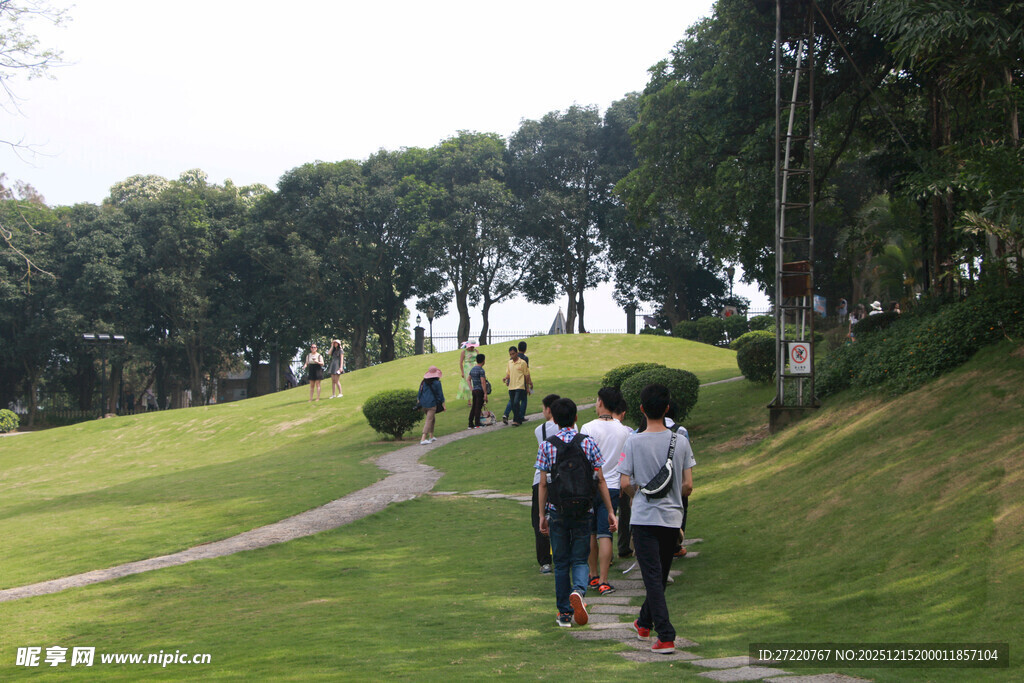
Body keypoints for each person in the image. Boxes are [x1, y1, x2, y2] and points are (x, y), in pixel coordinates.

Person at [619, 383, 696, 654]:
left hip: (643, 517)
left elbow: (625, 481)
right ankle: (643, 622)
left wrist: (636, 494)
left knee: (654, 576)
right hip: (672, 518)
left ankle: (666, 635)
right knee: (659, 575)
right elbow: (688, 486)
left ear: (641, 409)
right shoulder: (681, 441)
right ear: (667, 408)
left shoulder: (633, 441)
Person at [537, 397, 617, 628]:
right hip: (585, 509)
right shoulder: (588, 443)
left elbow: (543, 484)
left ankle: (563, 614)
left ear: (553, 418)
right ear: (575, 418)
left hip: (557, 510)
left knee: (561, 563)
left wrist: (542, 515)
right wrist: (610, 511)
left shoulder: (547, 445)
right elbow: (600, 479)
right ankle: (579, 591)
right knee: (580, 559)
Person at [581, 387, 634, 596]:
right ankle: (604, 580)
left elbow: (584, 459)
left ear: (601, 402)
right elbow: (624, 461)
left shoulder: (587, 428)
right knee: (606, 534)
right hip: (612, 487)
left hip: (591, 486)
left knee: (591, 533)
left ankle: (592, 575)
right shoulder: (623, 430)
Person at [531, 394, 561, 574]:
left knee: (540, 519)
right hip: (562, 479)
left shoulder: (539, 430)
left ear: (548, 409)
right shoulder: (572, 428)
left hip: (541, 478)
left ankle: (545, 561)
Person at [502, 346, 532, 426]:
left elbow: (526, 375)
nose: (512, 356)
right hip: (511, 386)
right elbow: (509, 373)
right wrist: (506, 378)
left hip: (520, 386)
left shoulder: (522, 363)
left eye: (513, 354)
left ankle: (516, 420)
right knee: (513, 404)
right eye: (510, 354)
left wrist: (527, 386)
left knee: (516, 402)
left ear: (517, 353)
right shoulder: (509, 363)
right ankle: (518, 419)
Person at [417, 366, 445, 445]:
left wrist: (418, 404)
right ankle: (423, 438)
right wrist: (444, 405)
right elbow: (441, 395)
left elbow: (419, 393)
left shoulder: (423, 382)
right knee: (429, 420)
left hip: (423, 404)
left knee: (432, 419)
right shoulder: (437, 383)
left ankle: (431, 436)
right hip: (432, 404)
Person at [467, 353, 488, 430]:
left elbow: (468, 379)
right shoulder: (481, 370)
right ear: (483, 361)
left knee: (473, 407)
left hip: (474, 390)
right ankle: (477, 423)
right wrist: (485, 393)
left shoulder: (472, 369)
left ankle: (470, 423)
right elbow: (483, 382)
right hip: (480, 390)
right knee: (478, 407)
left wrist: (471, 388)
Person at [457, 341, 480, 406]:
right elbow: (461, 363)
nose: (472, 348)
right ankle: (469, 400)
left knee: (475, 383)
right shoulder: (464, 352)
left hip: (474, 366)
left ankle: (475, 399)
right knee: (468, 384)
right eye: (471, 346)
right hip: (467, 368)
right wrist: (462, 372)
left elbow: (478, 360)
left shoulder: (476, 351)